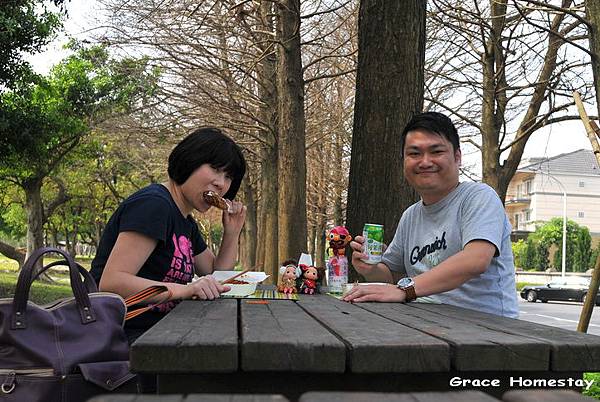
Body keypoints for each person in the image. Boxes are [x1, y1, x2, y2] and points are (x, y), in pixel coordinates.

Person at [343, 112, 519, 318]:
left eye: (436, 151)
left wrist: (405, 290)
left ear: (457, 157)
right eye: (414, 153)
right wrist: (368, 267)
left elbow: (476, 259)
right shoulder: (410, 216)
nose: (425, 162)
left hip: (487, 331)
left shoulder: (479, 197)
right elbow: (392, 274)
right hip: (425, 323)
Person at [91, 127, 247, 342]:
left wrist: (232, 233)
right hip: (124, 338)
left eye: (228, 176)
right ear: (190, 160)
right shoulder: (154, 205)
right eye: (214, 168)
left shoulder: (185, 221)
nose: (221, 184)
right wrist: (184, 290)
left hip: (160, 332)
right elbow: (111, 283)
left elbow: (216, 274)